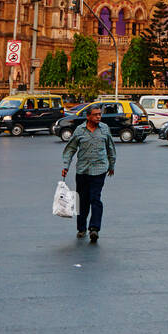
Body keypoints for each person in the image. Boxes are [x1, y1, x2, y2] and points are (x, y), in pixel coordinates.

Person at [61, 104, 116, 244]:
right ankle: (81, 228)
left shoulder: (104, 129)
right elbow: (70, 149)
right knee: (83, 201)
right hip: (83, 171)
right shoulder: (79, 131)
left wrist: (112, 164)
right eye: (96, 114)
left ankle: (94, 229)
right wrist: (66, 166)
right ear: (88, 116)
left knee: (95, 199)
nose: (99, 116)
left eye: (100, 114)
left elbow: (111, 148)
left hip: (99, 170)